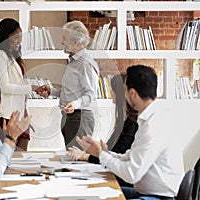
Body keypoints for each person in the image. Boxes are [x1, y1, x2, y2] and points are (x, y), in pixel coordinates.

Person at [76, 65, 184, 199]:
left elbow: (132, 174)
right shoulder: (150, 117)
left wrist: (100, 154)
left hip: (157, 197)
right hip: (146, 193)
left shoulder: (153, 125)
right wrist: (103, 153)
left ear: (132, 93)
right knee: (94, 191)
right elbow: (130, 157)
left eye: (125, 90)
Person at [36, 20, 99, 149]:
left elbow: (90, 94)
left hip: (80, 118)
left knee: (78, 161)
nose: (62, 42)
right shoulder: (73, 62)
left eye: (64, 38)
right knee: (71, 158)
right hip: (69, 117)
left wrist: (74, 105)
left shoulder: (85, 63)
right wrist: (51, 91)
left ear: (75, 42)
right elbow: (70, 92)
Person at [0, 18, 38, 151]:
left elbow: (17, 81)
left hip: (19, 112)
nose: (19, 40)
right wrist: (31, 88)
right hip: (7, 115)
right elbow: (4, 86)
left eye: (20, 36)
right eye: (16, 37)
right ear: (5, 36)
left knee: (21, 155)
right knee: (11, 154)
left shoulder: (12, 55)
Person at [67, 74, 138, 161]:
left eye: (113, 89)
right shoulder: (124, 120)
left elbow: (116, 155)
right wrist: (94, 148)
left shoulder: (132, 123)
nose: (111, 92)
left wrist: (84, 156)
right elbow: (110, 151)